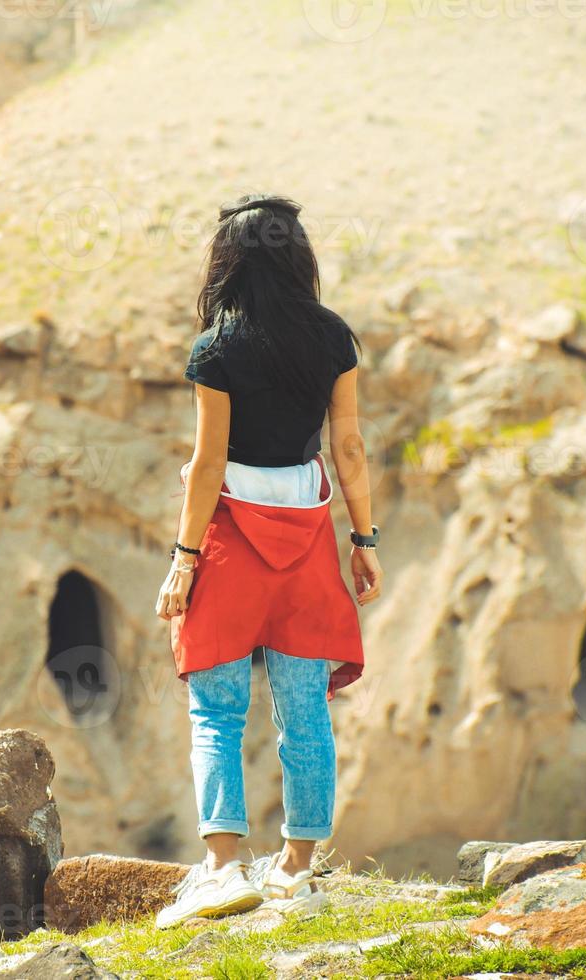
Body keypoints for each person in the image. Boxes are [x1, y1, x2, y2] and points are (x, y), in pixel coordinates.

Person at [153, 194, 383, 928]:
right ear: (298, 256)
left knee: (217, 710)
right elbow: (346, 446)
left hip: (229, 542)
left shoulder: (217, 348)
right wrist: (364, 539)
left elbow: (206, 463)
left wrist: (183, 561)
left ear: (228, 264)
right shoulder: (332, 338)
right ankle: (298, 870)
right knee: (305, 710)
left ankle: (222, 869)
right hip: (309, 538)